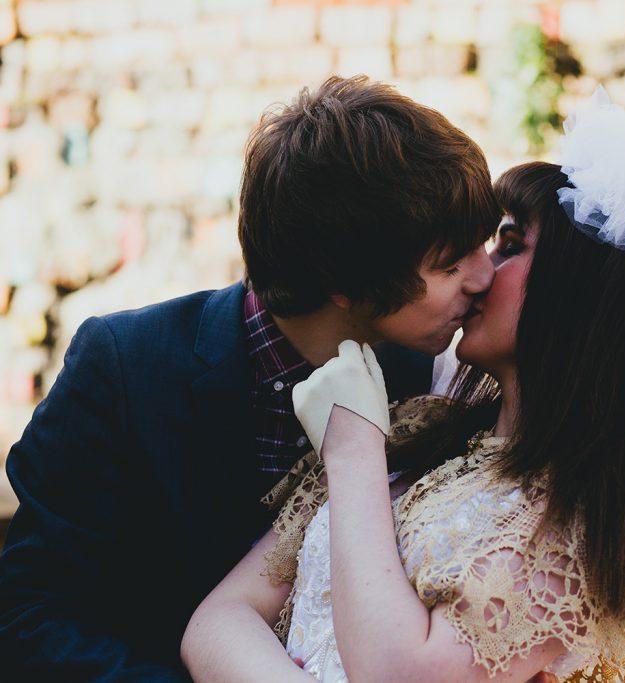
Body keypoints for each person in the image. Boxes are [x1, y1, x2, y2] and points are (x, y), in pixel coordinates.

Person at [181, 92, 625, 682]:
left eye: (509, 247)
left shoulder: (592, 515)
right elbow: (219, 620)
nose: (481, 271)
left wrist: (353, 450)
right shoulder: (418, 430)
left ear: (575, 297)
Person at [0, 75, 500, 681]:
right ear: (344, 283)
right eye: (450, 263)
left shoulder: (439, 381)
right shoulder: (125, 367)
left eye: (485, 244)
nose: (483, 276)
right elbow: (32, 616)